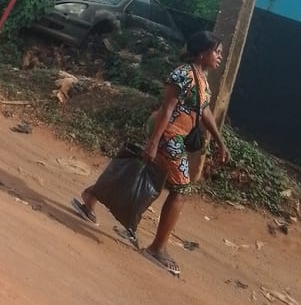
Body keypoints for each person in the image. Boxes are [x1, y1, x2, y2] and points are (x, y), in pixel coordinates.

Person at [71, 30, 230, 276]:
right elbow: (167, 108)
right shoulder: (183, 74)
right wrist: (154, 142)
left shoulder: (202, 78)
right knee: (181, 189)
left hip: (173, 136)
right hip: (169, 136)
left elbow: (205, 111)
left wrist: (220, 142)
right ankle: (157, 248)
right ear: (203, 52)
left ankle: (90, 198)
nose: (220, 56)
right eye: (217, 52)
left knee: (143, 174)